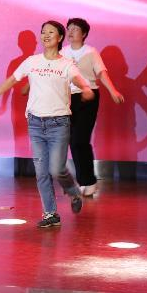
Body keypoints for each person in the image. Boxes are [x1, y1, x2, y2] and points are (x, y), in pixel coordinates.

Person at [0, 21, 93, 228]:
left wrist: (86, 89)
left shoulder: (66, 64)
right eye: (43, 32)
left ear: (60, 37)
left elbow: (78, 79)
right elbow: (13, 78)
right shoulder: (32, 61)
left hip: (59, 123)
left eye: (50, 32)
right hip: (36, 123)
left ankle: (73, 192)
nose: (45, 35)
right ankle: (50, 214)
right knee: (41, 172)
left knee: (57, 169)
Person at [62, 18, 125, 197]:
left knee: (80, 140)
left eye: (75, 29)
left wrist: (113, 91)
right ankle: (84, 181)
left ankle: (89, 181)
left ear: (84, 34)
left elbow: (101, 73)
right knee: (72, 141)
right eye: (69, 28)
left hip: (88, 96)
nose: (71, 32)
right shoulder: (63, 52)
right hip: (67, 98)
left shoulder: (91, 52)